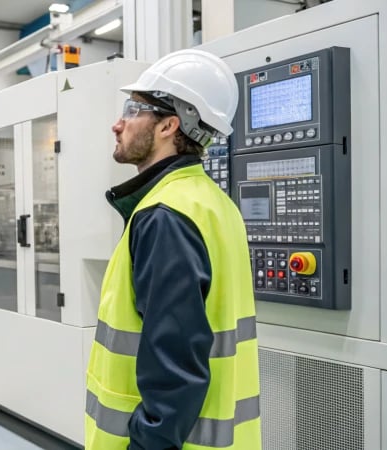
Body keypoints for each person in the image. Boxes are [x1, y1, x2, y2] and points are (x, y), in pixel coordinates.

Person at [84, 49, 262, 449]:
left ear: (168, 125)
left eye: (133, 110)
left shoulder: (165, 215)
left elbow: (174, 368)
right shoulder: (212, 203)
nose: (118, 124)